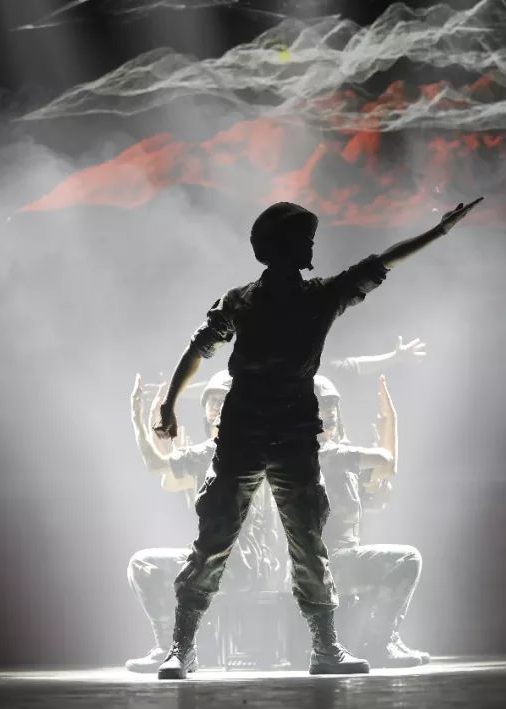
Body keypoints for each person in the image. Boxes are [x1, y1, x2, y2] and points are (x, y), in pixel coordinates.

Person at [152, 197, 482, 679]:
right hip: (244, 431)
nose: (310, 247)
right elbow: (198, 347)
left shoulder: (321, 296)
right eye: (303, 239)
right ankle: (182, 646)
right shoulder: (243, 301)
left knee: (307, 541)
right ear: (277, 247)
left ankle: (325, 646)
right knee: (215, 536)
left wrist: (439, 231)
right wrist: (168, 403)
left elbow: (382, 262)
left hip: (293, 433)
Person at [125, 371, 282, 672]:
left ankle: (173, 647)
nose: (217, 407)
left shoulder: (223, 448)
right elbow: (170, 478)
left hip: (237, 564)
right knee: (151, 563)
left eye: (224, 400)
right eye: (212, 401)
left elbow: (156, 465)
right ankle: (173, 646)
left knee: (150, 564)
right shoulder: (230, 449)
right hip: (238, 562)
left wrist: (137, 419)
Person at [313, 374, 429, 668]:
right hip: (324, 563)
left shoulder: (335, 457)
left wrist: (378, 487)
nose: (327, 414)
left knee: (390, 563)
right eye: (319, 407)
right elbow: (387, 462)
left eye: (330, 407)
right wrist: (390, 420)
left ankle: (382, 639)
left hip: (335, 559)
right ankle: (380, 643)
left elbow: (377, 489)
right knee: (406, 559)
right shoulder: (323, 454)